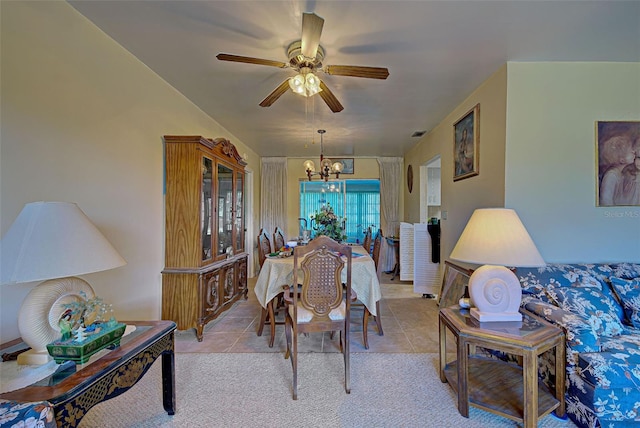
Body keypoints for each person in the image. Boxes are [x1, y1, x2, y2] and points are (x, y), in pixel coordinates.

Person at [599, 135, 636, 206]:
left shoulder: (621, 174)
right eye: (630, 151)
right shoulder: (611, 176)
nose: (633, 151)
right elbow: (606, 202)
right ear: (622, 160)